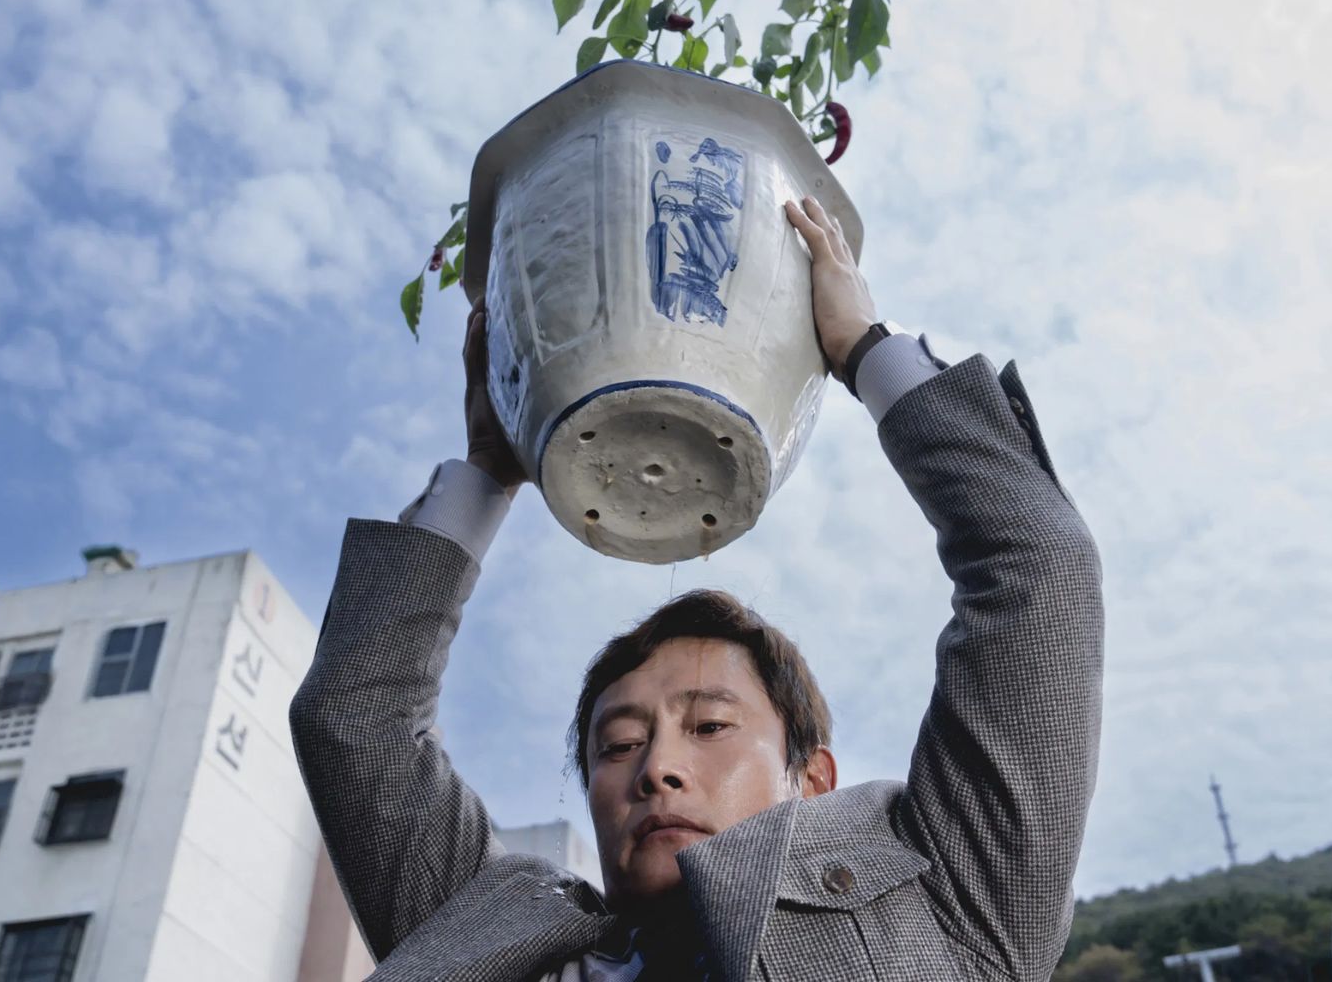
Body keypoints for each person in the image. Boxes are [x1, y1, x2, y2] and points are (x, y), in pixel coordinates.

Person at [290, 196, 1104, 981]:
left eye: (710, 724)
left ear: (812, 779)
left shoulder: (951, 901)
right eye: (616, 746)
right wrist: (488, 469)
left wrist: (863, 348)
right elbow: (354, 720)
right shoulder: (484, 937)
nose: (657, 769)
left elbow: (1038, 570)